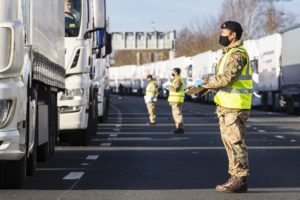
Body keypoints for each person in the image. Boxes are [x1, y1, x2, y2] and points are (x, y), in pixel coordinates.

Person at [191, 21, 252, 193]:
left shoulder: (238, 54)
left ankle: (239, 179)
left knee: (236, 143)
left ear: (233, 35)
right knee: (230, 144)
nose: (221, 35)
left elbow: (227, 78)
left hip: (235, 106)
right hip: (227, 106)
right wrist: (201, 86)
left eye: (224, 32)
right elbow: (221, 78)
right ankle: (235, 177)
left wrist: (206, 82)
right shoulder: (228, 53)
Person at [168, 68, 185, 134]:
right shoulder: (176, 79)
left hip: (176, 100)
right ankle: (179, 128)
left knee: (177, 114)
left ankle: (180, 128)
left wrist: (168, 86)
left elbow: (176, 89)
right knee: (176, 114)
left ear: (176, 72)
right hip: (175, 100)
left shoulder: (178, 80)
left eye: (173, 71)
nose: (172, 73)